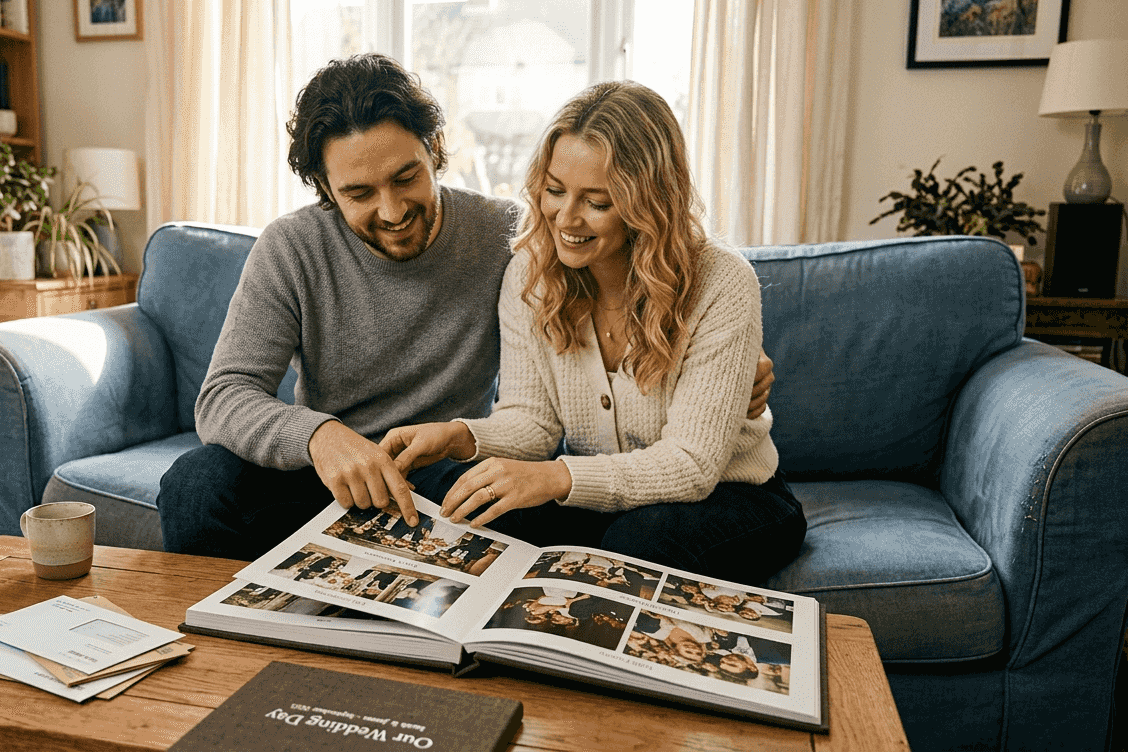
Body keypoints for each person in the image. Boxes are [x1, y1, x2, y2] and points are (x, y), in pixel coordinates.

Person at [157, 54, 776, 561]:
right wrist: (319, 436)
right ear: (325, 191)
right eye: (359, 193)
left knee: (559, 534)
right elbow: (223, 397)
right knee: (197, 485)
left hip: (440, 477)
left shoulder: (509, 239)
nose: (394, 210)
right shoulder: (293, 248)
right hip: (330, 473)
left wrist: (457, 439)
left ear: (436, 150)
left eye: (407, 178)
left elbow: (539, 431)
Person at [382, 81, 806, 585]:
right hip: (605, 493)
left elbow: (692, 466)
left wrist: (558, 477)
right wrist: (457, 437)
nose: (566, 217)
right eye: (555, 191)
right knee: (454, 490)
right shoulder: (531, 272)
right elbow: (532, 426)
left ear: (648, 202)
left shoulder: (722, 281)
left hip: (733, 494)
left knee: (638, 544)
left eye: (596, 202)